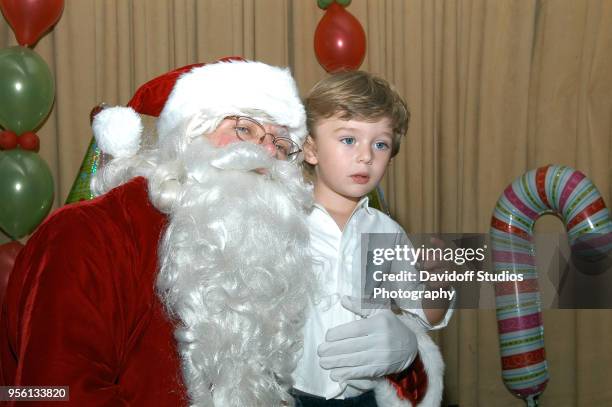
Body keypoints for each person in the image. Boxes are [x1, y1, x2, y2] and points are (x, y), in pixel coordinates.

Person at [0, 59, 316, 407]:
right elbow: (53, 394)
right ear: (188, 135)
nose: (267, 152)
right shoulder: (87, 234)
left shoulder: (261, 260)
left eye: (282, 144)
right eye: (245, 130)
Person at [292, 71, 453, 407]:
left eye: (380, 144)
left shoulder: (387, 233)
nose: (366, 156)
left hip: (364, 397)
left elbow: (426, 313)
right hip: (291, 394)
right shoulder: (283, 221)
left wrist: (440, 277)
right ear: (311, 149)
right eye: (349, 139)